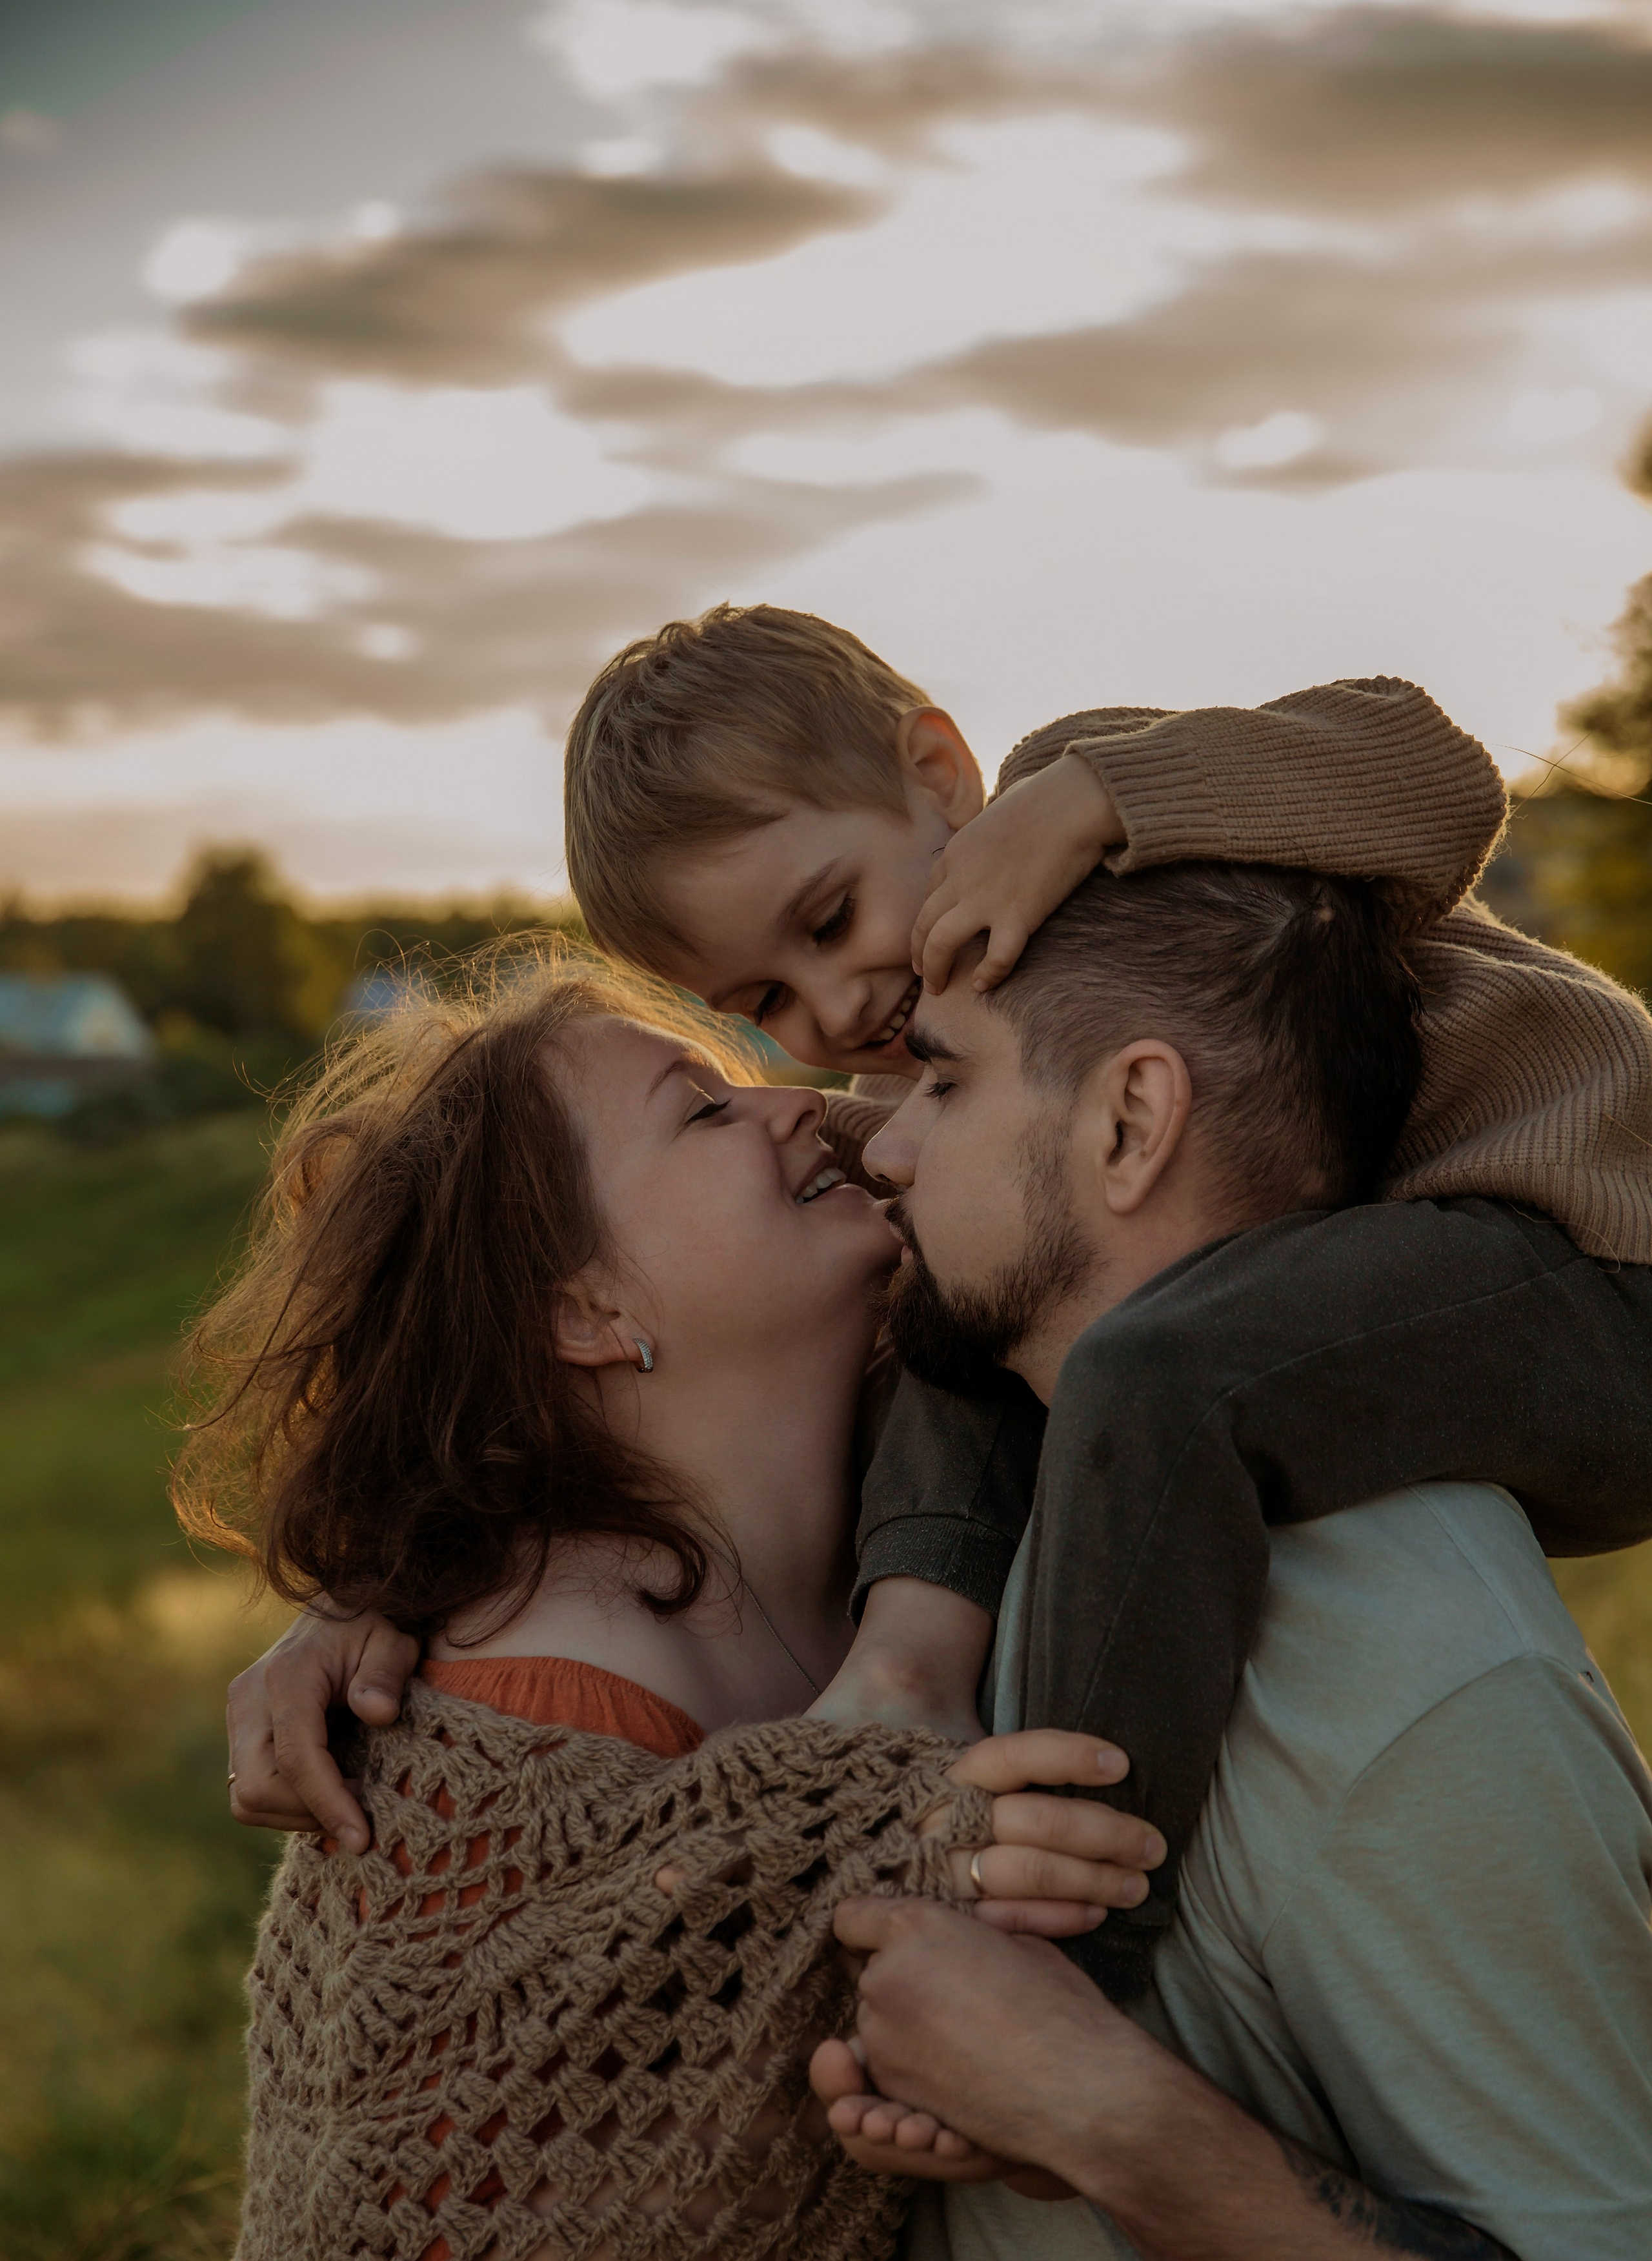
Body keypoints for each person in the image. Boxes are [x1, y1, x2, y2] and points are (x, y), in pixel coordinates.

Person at [229, 607, 1652, 2003]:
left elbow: (1429, 773)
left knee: (1159, 1373)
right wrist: (377, 1593)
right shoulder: (915, 1083)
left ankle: (1064, 1960)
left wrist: (1095, 799)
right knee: (957, 1308)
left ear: (936, 774)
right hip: (1386, 1316)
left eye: (832, 916)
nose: (834, 1003)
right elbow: (660, 1280)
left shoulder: (1089, 815)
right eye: (759, 1002)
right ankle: (914, 1669)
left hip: (1585, 1248)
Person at [152, 955, 1152, 2261]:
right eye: (700, 1108)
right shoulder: (513, 1723)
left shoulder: (927, 1507)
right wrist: (903, 1895)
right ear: (588, 1306)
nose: (799, 1106)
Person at [811, 863, 1652, 2261]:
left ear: (1129, 1122)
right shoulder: (987, 1534)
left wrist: (1088, 2104)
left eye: (938, 1077)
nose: (886, 1141)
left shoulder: (1408, 1658)